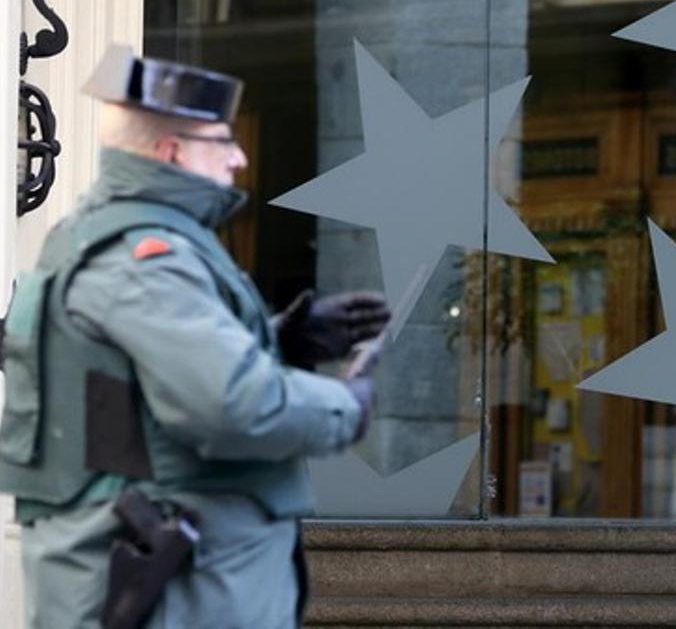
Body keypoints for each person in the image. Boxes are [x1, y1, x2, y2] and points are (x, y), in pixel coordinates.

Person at [0, 45, 389, 628]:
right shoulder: (143, 259)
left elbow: (131, 397)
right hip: (182, 592)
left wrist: (285, 343)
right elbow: (230, 406)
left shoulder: (115, 240)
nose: (237, 158)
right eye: (221, 141)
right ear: (171, 150)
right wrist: (344, 407)